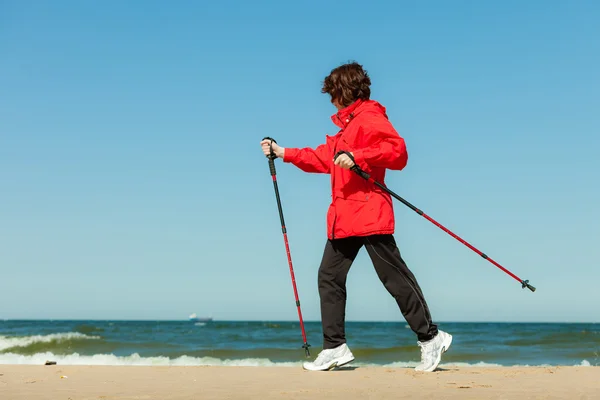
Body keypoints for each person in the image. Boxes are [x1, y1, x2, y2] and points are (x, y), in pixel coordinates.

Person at [260, 62, 451, 372]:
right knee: (329, 277)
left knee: (395, 278)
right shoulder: (346, 128)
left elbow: (397, 151)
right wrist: (283, 153)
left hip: (369, 212)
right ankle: (335, 347)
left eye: (332, 93)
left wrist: (359, 156)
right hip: (345, 218)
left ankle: (431, 338)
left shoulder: (370, 117)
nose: (330, 100)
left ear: (343, 92)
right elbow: (324, 157)